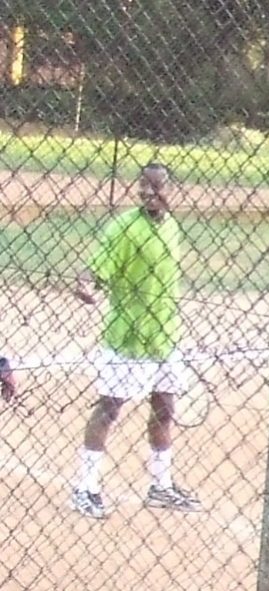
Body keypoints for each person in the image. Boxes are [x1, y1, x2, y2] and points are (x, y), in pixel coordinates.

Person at [70, 162, 201, 520]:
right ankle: (86, 486)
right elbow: (96, 268)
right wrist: (86, 284)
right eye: (143, 186)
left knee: (165, 408)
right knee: (108, 408)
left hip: (164, 337)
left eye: (156, 187)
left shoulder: (172, 227)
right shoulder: (124, 228)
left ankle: (161, 485)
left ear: (170, 191)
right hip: (127, 338)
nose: (148, 193)